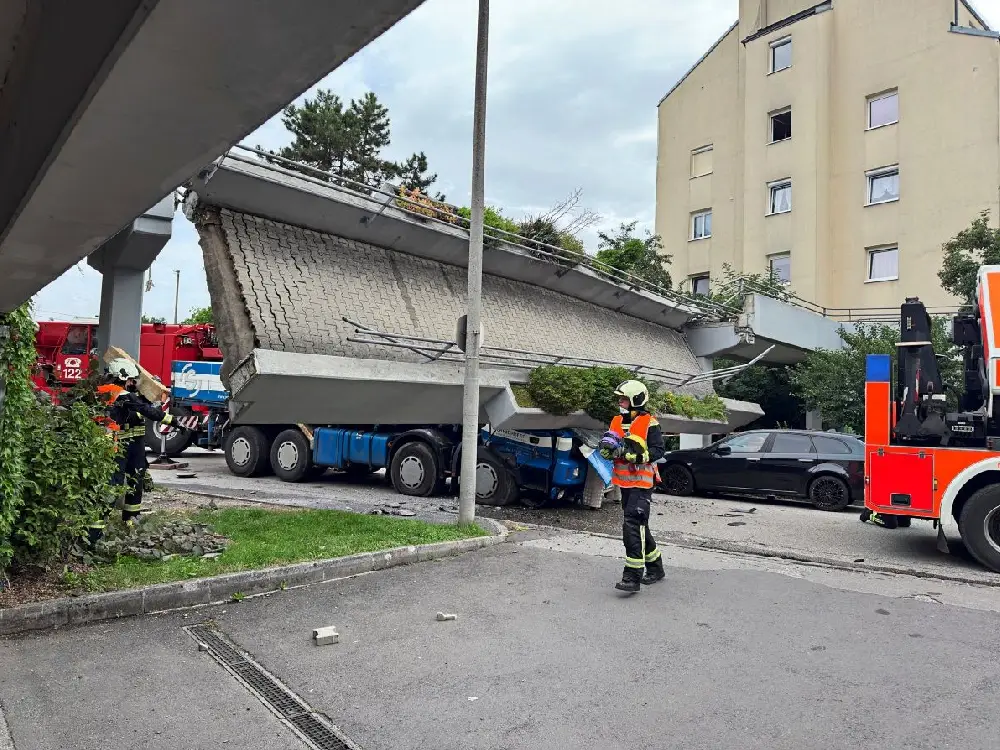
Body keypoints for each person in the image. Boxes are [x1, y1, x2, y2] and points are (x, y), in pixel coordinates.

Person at [87, 358, 196, 545]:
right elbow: (147, 412)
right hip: (115, 446)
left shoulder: (106, 393)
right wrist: (176, 421)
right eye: (131, 379)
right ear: (122, 377)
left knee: (134, 480)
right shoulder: (120, 394)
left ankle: (127, 520)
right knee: (112, 487)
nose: (133, 383)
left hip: (129, 445)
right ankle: (95, 535)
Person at [599, 380, 667, 593]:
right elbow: (611, 442)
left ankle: (632, 576)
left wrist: (638, 457)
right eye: (620, 398)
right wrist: (608, 451)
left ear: (636, 400)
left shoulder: (650, 423)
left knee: (632, 524)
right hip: (625, 483)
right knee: (639, 525)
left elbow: (658, 450)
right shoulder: (616, 421)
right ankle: (656, 568)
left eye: (624, 399)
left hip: (643, 483)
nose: (620, 402)